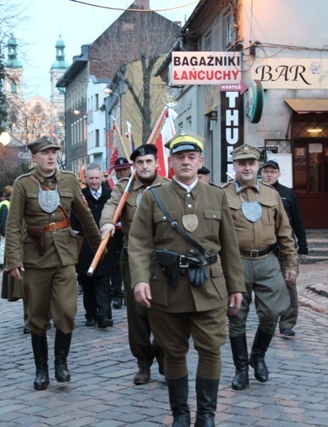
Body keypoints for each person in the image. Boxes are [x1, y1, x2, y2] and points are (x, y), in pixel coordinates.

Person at [127, 132, 245, 426]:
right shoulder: (154, 197)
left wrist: (236, 286)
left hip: (210, 287)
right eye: (180, 157)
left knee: (210, 349)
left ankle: (206, 416)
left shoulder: (217, 196)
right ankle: (181, 414)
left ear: (200, 161)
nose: (186, 162)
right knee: (174, 352)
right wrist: (140, 279)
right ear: (171, 162)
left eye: (191, 157)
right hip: (167, 288)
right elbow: (139, 243)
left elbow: (230, 246)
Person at [5, 136, 102, 391]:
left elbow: (85, 216)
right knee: (37, 317)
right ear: (34, 158)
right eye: (45, 153)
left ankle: (61, 363)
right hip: (35, 259)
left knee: (67, 312)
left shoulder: (69, 180)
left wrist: (99, 247)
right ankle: (42, 369)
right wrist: (13, 260)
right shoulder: (23, 184)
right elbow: (13, 224)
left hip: (64, 257)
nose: (50, 157)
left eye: (54, 152)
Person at [223, 145, 297, 391]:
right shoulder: (222, 194)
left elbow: (284, 231)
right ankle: (241, 368)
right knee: (236, 316)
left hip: (267, 261)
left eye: (251, 163)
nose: (246, 167)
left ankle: (258, 355)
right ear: (234, 166)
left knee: (271, 313)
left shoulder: (270, 194)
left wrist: (290, 263)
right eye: (242, 163)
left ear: (257, 166)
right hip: (236, 263)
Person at [100, 143, 169, 385]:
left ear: (157, 163)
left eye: (149, 161)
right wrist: (107, 222)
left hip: (163, 257)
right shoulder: (125, 188)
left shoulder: (169, 188)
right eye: (140, 163)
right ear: (134, 166)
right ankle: (143, 363)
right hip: (133, 255)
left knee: (163, 311)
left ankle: (163, 357)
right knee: (138, 314)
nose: (145, 166)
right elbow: (110, 205)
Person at [260, 159, 308, 337]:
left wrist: (303, 246)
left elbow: (298, 221)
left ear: (279, 174)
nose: (269, 175)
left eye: (273, 172)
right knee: (265, 287)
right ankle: (267, 320)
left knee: (289, 283)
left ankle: (287, 322)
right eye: (266, 172)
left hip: (284, 249)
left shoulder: (288, 194)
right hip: (263, 249)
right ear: (262, 174)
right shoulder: (255, 193)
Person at [73, 163, 114, 328]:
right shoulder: (80, 196)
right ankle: (90, 313)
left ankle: (104, 315)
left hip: (105, 244)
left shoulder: (110, 196)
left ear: (103, 178)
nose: (94, 181)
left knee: (104, 280)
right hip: (85, 245)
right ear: (86, 179)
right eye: (91, 178)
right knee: (88, 281)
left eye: (97, 178)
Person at [110, 157, 132, 309]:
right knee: (116, 264)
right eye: (119, 170)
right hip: (116, 231)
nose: (122, 172)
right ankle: (117, 293)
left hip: (133, 232)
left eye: (125, 169)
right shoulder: (111, 185)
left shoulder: (137, 184)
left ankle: (130, 291)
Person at [0, 185, 12, 270]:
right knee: (3, 245)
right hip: (4, 228)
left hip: (2, 227)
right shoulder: (6, 204)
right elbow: (4, 218)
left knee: (3, 244)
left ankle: (2, 261)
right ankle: (1, 262)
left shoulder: (3, 203)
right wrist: (4, 230)